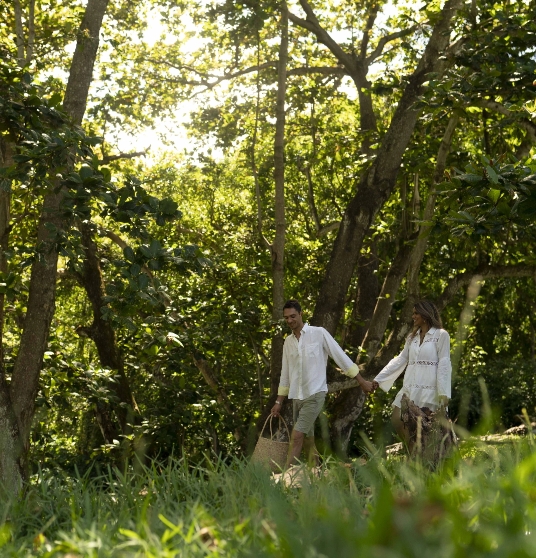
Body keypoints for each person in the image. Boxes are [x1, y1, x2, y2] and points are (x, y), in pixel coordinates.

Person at [271, 299, 375, 468]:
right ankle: (316, 474)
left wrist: (361, 381)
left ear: (301, 314)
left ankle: (285, 480)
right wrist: (278, 402)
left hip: (314, 394)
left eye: (293, 316)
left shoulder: (318, 333)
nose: (289, 321)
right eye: (286, 318)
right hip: (297, 397)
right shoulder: (288, 342)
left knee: (297, 436)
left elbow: (339, 356)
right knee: (308, 441)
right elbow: (285, 374)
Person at [371, 300, 452, 448]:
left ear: (425, 314)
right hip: (410, 386)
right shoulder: (412, 338)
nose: (413, 316)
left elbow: (444, 363)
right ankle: (413, 451)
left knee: (427, 428)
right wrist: (379, 379)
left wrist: (443, 392)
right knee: (397, 419)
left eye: (416, 313)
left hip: (431, 389)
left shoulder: (441, 335)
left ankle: (423, 460)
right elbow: (401, 360)